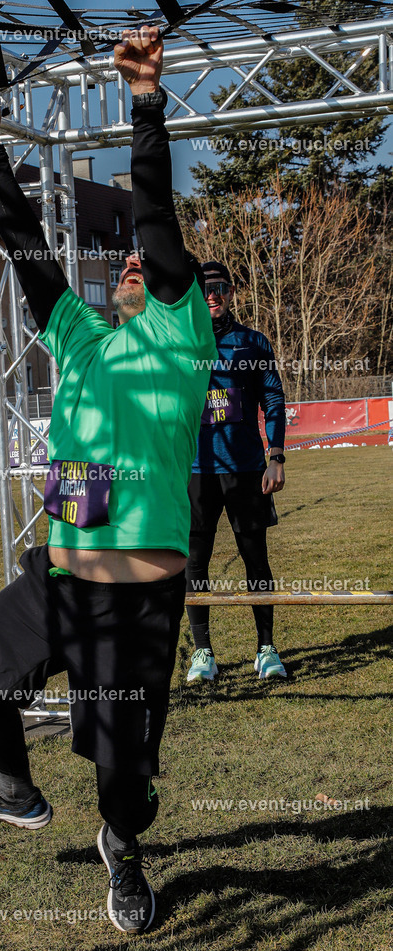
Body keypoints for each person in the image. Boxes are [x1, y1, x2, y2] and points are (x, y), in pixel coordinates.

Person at [0, 26, 216, 935]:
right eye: (125, 262)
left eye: (148, 266)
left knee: (122, 782)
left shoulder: (181, 338)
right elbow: (22, 245)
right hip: (59, 579)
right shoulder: (80, 339)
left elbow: (157, 219)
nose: (135, 263)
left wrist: (143, 102)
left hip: (137, 604)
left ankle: (125, 851)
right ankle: (16, 788)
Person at [186, 260, 287, 683]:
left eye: (221, 288)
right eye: (206, 288)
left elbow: (274, 399)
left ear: (232, 293)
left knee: (254, 557)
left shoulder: (253, 343)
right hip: (194, 471)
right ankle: (203, 653)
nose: (213, 295)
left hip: (247, 469)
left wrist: (276, 455)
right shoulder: (182, 345)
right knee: (195, 560)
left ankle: (266, 649)